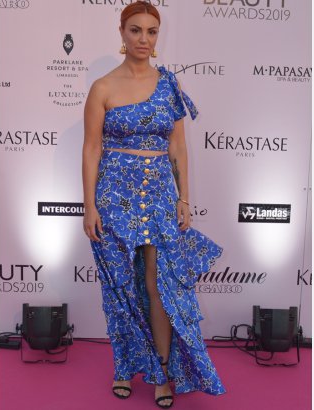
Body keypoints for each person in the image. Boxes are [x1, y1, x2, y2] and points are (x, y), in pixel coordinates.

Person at [81, 1, 226, 408]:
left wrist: (184, 197)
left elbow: (178, 146)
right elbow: (91, 149)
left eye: (151, 31)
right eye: (135, 30)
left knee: (159, 285)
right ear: (122, 33)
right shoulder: (103, 88)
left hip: (160, 194)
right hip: (114, 195)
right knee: (120, 287)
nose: (143, 39)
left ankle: (162, 371)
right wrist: (89, 206)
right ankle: (124, 366)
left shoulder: (169, 85)